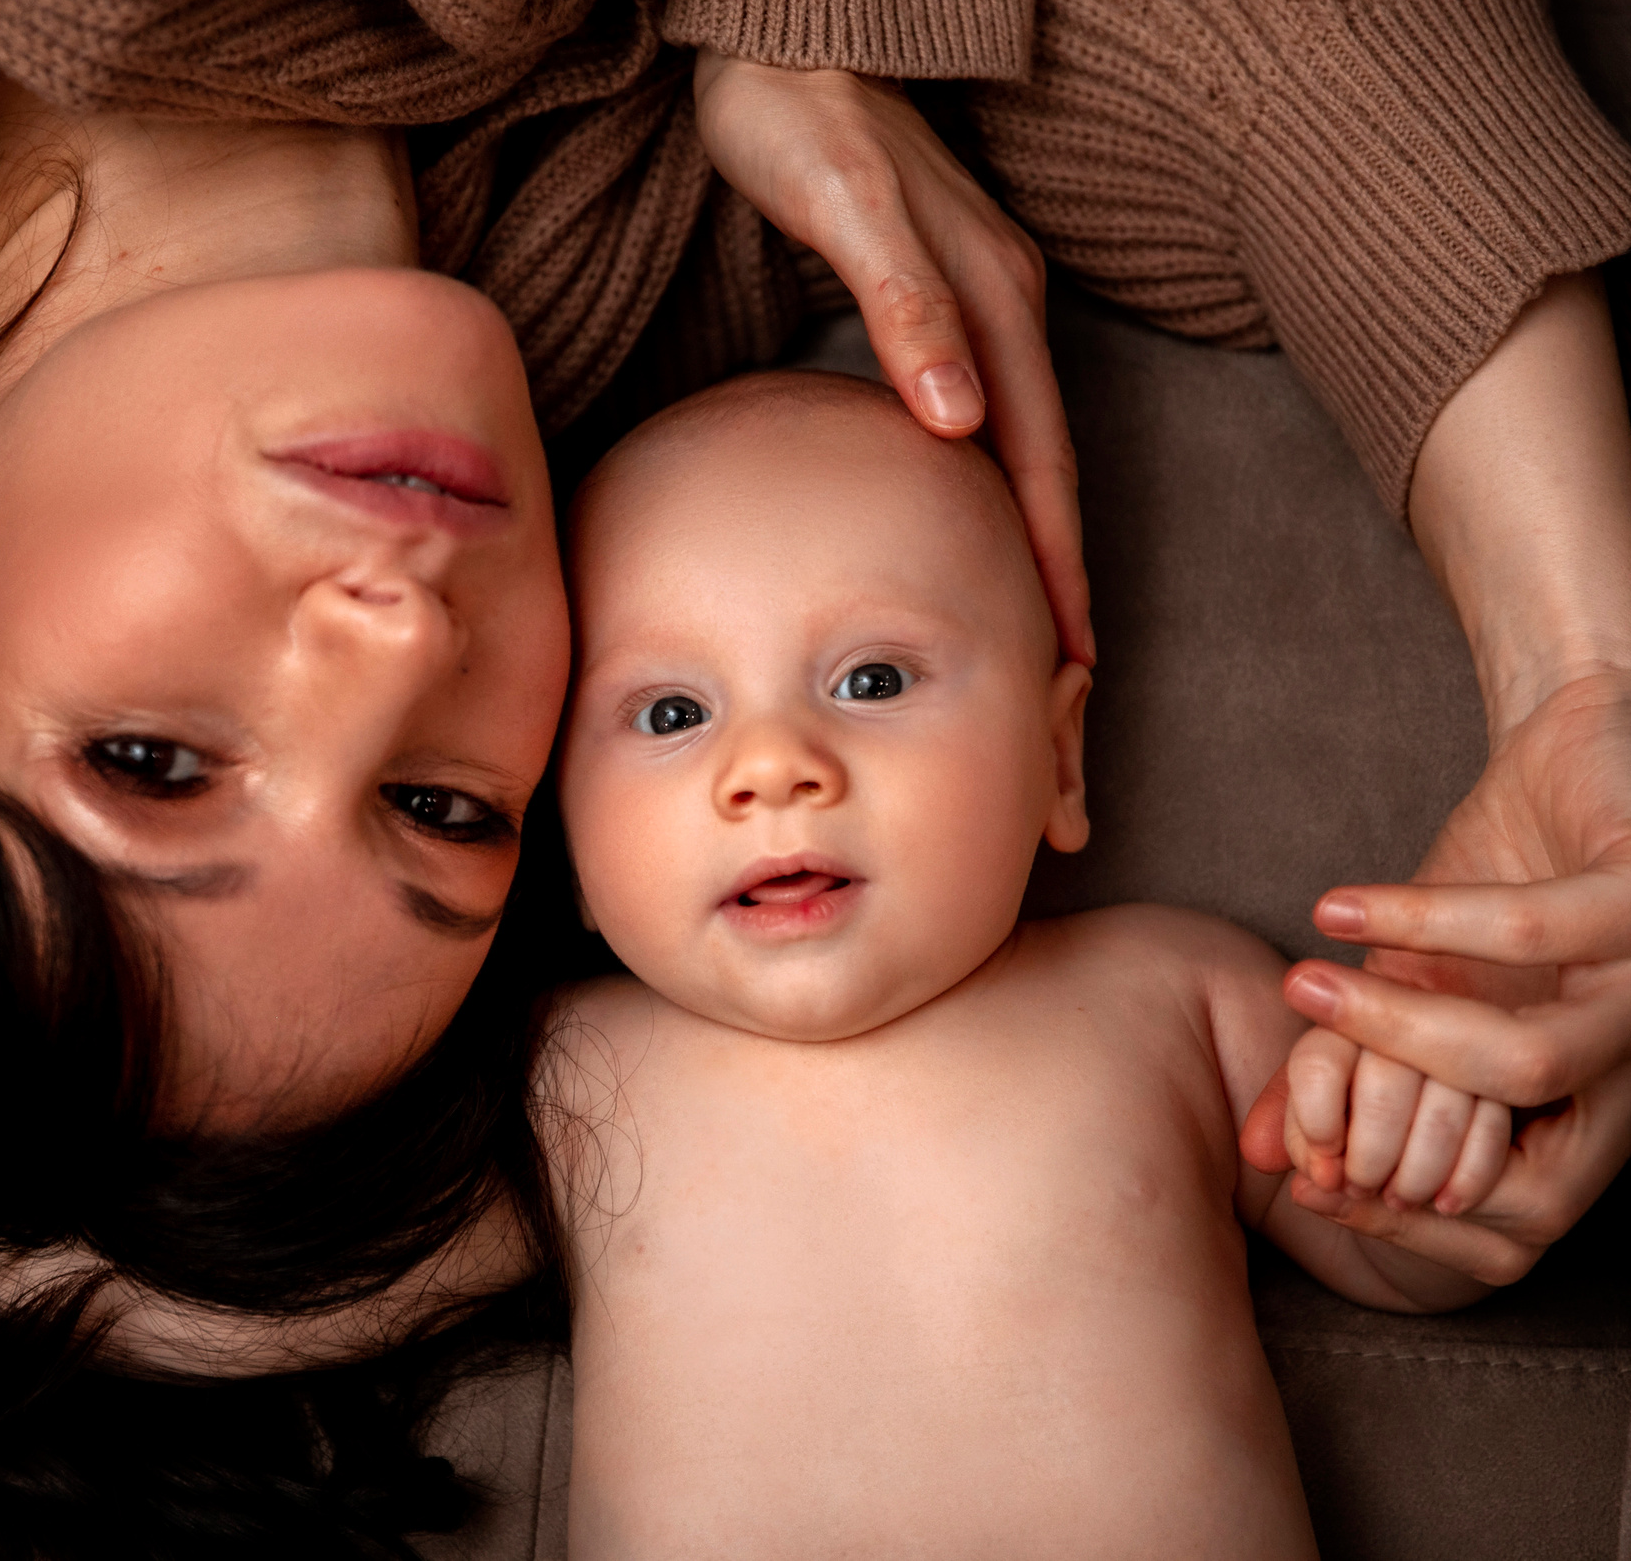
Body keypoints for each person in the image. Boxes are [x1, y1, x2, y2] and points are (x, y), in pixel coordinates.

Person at [0, 0, 1631, 1552]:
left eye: (152, 761)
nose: (400, 633)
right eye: (442, 807)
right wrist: (1585, 689)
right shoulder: (632, 313)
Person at [548, 373, 1497, 1557]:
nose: (771, 765)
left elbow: (1413, 1263)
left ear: (1060, 757)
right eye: (670, 714)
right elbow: (340, 1277)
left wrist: (1422, 1143)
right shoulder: (562, 1071)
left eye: (870, 681)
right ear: (561, 835)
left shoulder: (1178, 996)